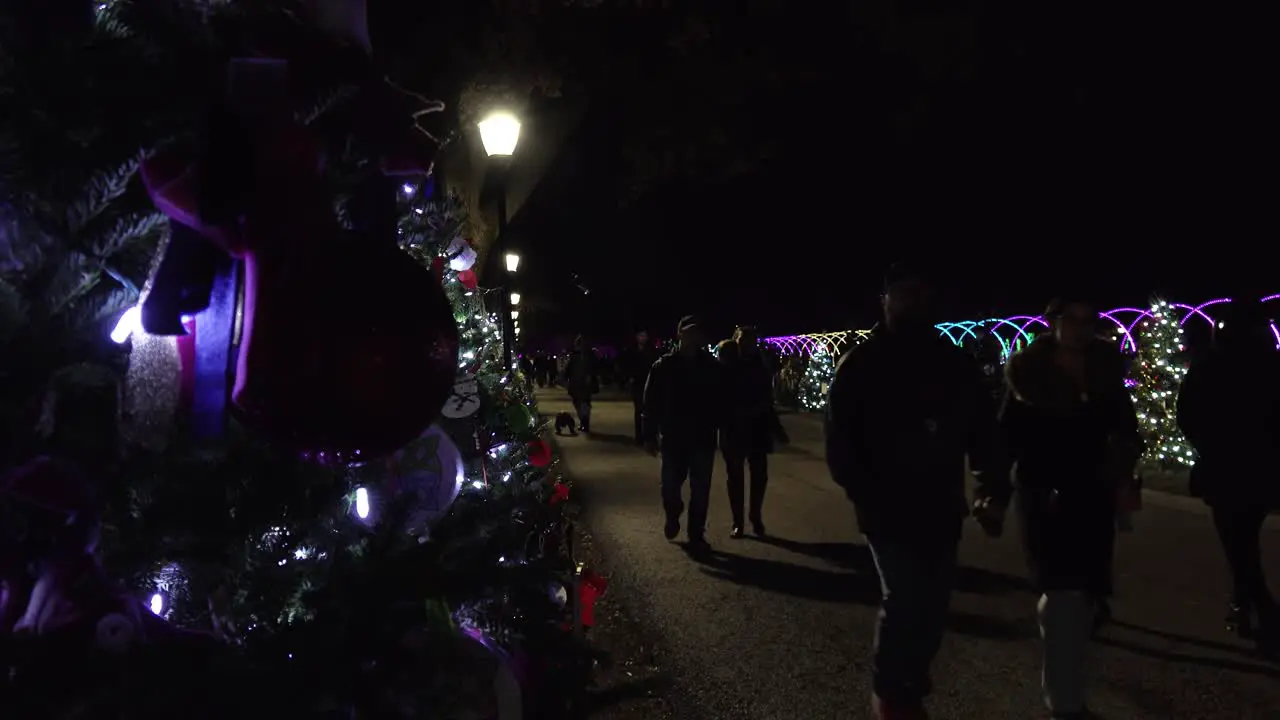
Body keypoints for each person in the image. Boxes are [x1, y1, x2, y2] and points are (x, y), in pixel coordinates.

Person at [825, 263, 1001, 720]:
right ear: (884, 301)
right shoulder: (862, 364)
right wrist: (864, 490)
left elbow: (981, 429)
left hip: (940, 503)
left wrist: (989, 484)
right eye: (901, 294)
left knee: (935, 601)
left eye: (919, 294)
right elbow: (840, 439)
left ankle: (911, 679)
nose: (911, 302)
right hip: (885, 508)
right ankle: (891, 691)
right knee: (904, 597)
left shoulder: (952, 362)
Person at [983, 295, 1141, 719]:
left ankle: (1067, 687)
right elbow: (1006, 440)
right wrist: (995, 496)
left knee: (1083, 595)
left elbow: (1126, 429)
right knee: (1062, 595)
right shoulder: (1029, 375)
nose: (1081, 327)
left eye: (1089, 319)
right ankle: (1065, 703)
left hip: (1092, 495)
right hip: (1044, 496)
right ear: (1053, 322)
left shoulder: (1105, 370)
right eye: (1072, 319)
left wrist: (1123, 473)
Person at [1176, 299, 1280, 658]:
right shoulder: (1271, 364)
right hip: (1263, 466)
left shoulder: (1209, 365)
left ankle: (1262, 607)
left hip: (1224, 466)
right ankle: (1244, 605)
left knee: (1238, 542)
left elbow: (1186, 414)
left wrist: (1209, 445)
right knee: (1245, 538)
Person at [642, 316, 723, 553]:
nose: (691, 338)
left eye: (695, 333)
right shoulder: (664, 366)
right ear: (679, 335)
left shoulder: (711, 366)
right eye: (687, 332)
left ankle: (696, 534)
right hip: (673, 437)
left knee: (700, 489)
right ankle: (673, 513)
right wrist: (649, 434)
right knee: (670, 486)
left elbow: (721, 399)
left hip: (702, 437)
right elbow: (651, 402)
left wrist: (721, 423)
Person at [722, 326, 786, 538]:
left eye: (750, 342)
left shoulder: (761, 365)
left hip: (757, 426)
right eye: (743, 341)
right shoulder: (729, 365)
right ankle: (738, 521)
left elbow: (768, 398)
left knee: (759, 475)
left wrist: (772, 424)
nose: (747, 346)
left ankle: (754, 516)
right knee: (736, 476)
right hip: (734, 427)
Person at [621, 330, 660, 444]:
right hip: (637, 383)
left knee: (650, 410)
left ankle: (650, 436)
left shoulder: (651, 351)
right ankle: (639, 436)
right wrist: (629, 377)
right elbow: (626, 365)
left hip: (649, 382)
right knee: (638, 410)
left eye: (644, 336)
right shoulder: (631, 351)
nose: (642, 338)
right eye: (640, 336)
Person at [562, 336, 599, 433]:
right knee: (585, 403)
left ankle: (584, 422)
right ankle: (585, 422)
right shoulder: (589, 356)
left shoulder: (575, 356)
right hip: (584, 384)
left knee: (580, 403)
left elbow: (568, 369)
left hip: (578, 384)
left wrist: (565, 377)